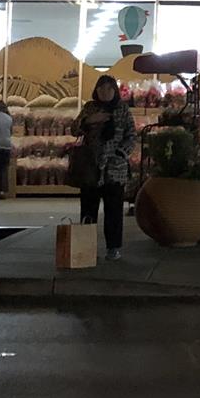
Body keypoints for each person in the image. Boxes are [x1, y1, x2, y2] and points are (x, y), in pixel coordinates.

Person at [73, 74, 135, 260]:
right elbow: (74, 129)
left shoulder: (122, 109)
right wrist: (89, 121)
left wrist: (120, 154)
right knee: (88, 209)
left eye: (109, 88)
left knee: (113, 210)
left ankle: (113, 247)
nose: (105, 92)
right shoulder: (89, 108)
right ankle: (85, 247)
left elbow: (131, 135)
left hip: (114, 170)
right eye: (101, 88)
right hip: (91, 167)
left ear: (114, 90)